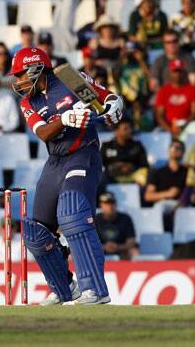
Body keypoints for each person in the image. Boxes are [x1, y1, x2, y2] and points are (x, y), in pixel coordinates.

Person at [10, 46, 124, 305]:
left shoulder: (71, 80)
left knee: (72, 213)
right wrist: (65, 119)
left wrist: (114, 105)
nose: (18, 82)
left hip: (83, 153)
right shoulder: (28, 101)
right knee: (36, 230)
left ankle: (95, 290)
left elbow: (104, 100)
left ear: (36, 69)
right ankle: (64, 288)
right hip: (55, 160)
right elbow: (43, 133)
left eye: (21, 75)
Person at [101, 118, 149, 187]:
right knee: (101, 177)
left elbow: (144, 165)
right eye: (125, 129)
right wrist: (116, 166)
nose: (129, 131)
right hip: (111, 176)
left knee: (147, 175)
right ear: (116, 131)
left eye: (130, 128)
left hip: (132, 176)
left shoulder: (137, 145)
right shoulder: (107, 146)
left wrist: (131, 167)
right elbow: (99, 165)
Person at [154, 59, 195, 137]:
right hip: (169, 125)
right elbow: (159, 115)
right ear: (170, 73)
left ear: (184, 73)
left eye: (180, 71)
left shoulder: (192, 89)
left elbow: (194, 112)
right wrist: (170, 130)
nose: (178, 74)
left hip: (187, 124)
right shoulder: (163, 91)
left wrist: (183, 126)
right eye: (175, 71)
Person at [94, 192, 139, 261]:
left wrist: (118, 247)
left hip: (122, 251)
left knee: (134, 252)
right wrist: (104, 247)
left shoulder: (125, 218)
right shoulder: (95, 219)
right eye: (106, 204)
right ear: (101, 205)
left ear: (116, 204)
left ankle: (130, 270)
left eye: (112, 203)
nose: (110, 206)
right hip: (100, 251)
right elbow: (90, 242)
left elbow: (131, 241)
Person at [144, 140, 188, 207]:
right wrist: (168, 194)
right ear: (168, 151)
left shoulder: (187, 171)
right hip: (162, 205)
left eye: (178, 148)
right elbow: (148, 196)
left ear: (183, 152)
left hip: (184, 205)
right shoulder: (158, 172)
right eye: (172, 147)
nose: (175, 149)